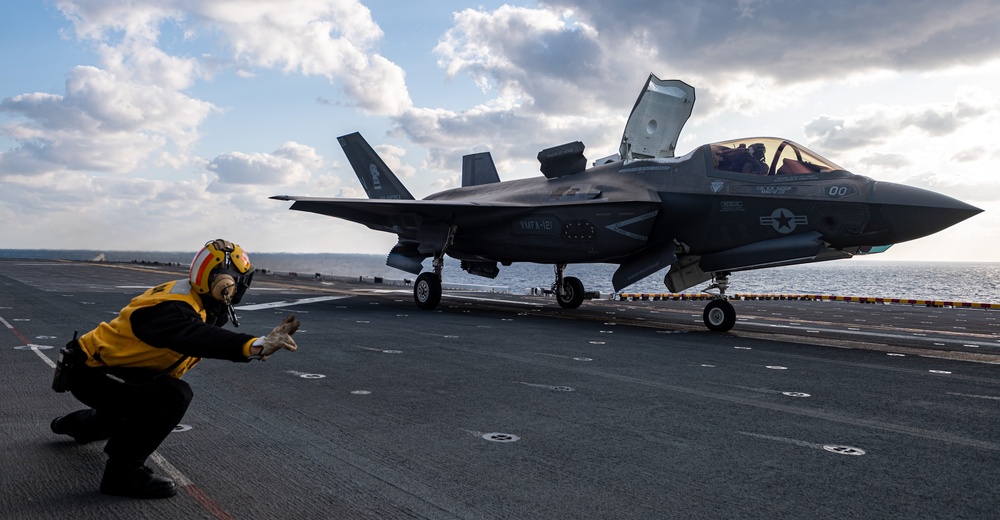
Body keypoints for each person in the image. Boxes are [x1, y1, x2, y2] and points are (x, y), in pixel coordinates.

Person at [50, 239, 301, 499]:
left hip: (107, 368)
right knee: (172, 396)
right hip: (92, 372)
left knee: (130, 405)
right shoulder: (173, 310)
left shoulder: (199, 301)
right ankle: (122, 474)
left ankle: (73, 425)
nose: (240, 287)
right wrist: (255, 346)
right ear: (224, 284)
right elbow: (195, 336)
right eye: (238, 281)